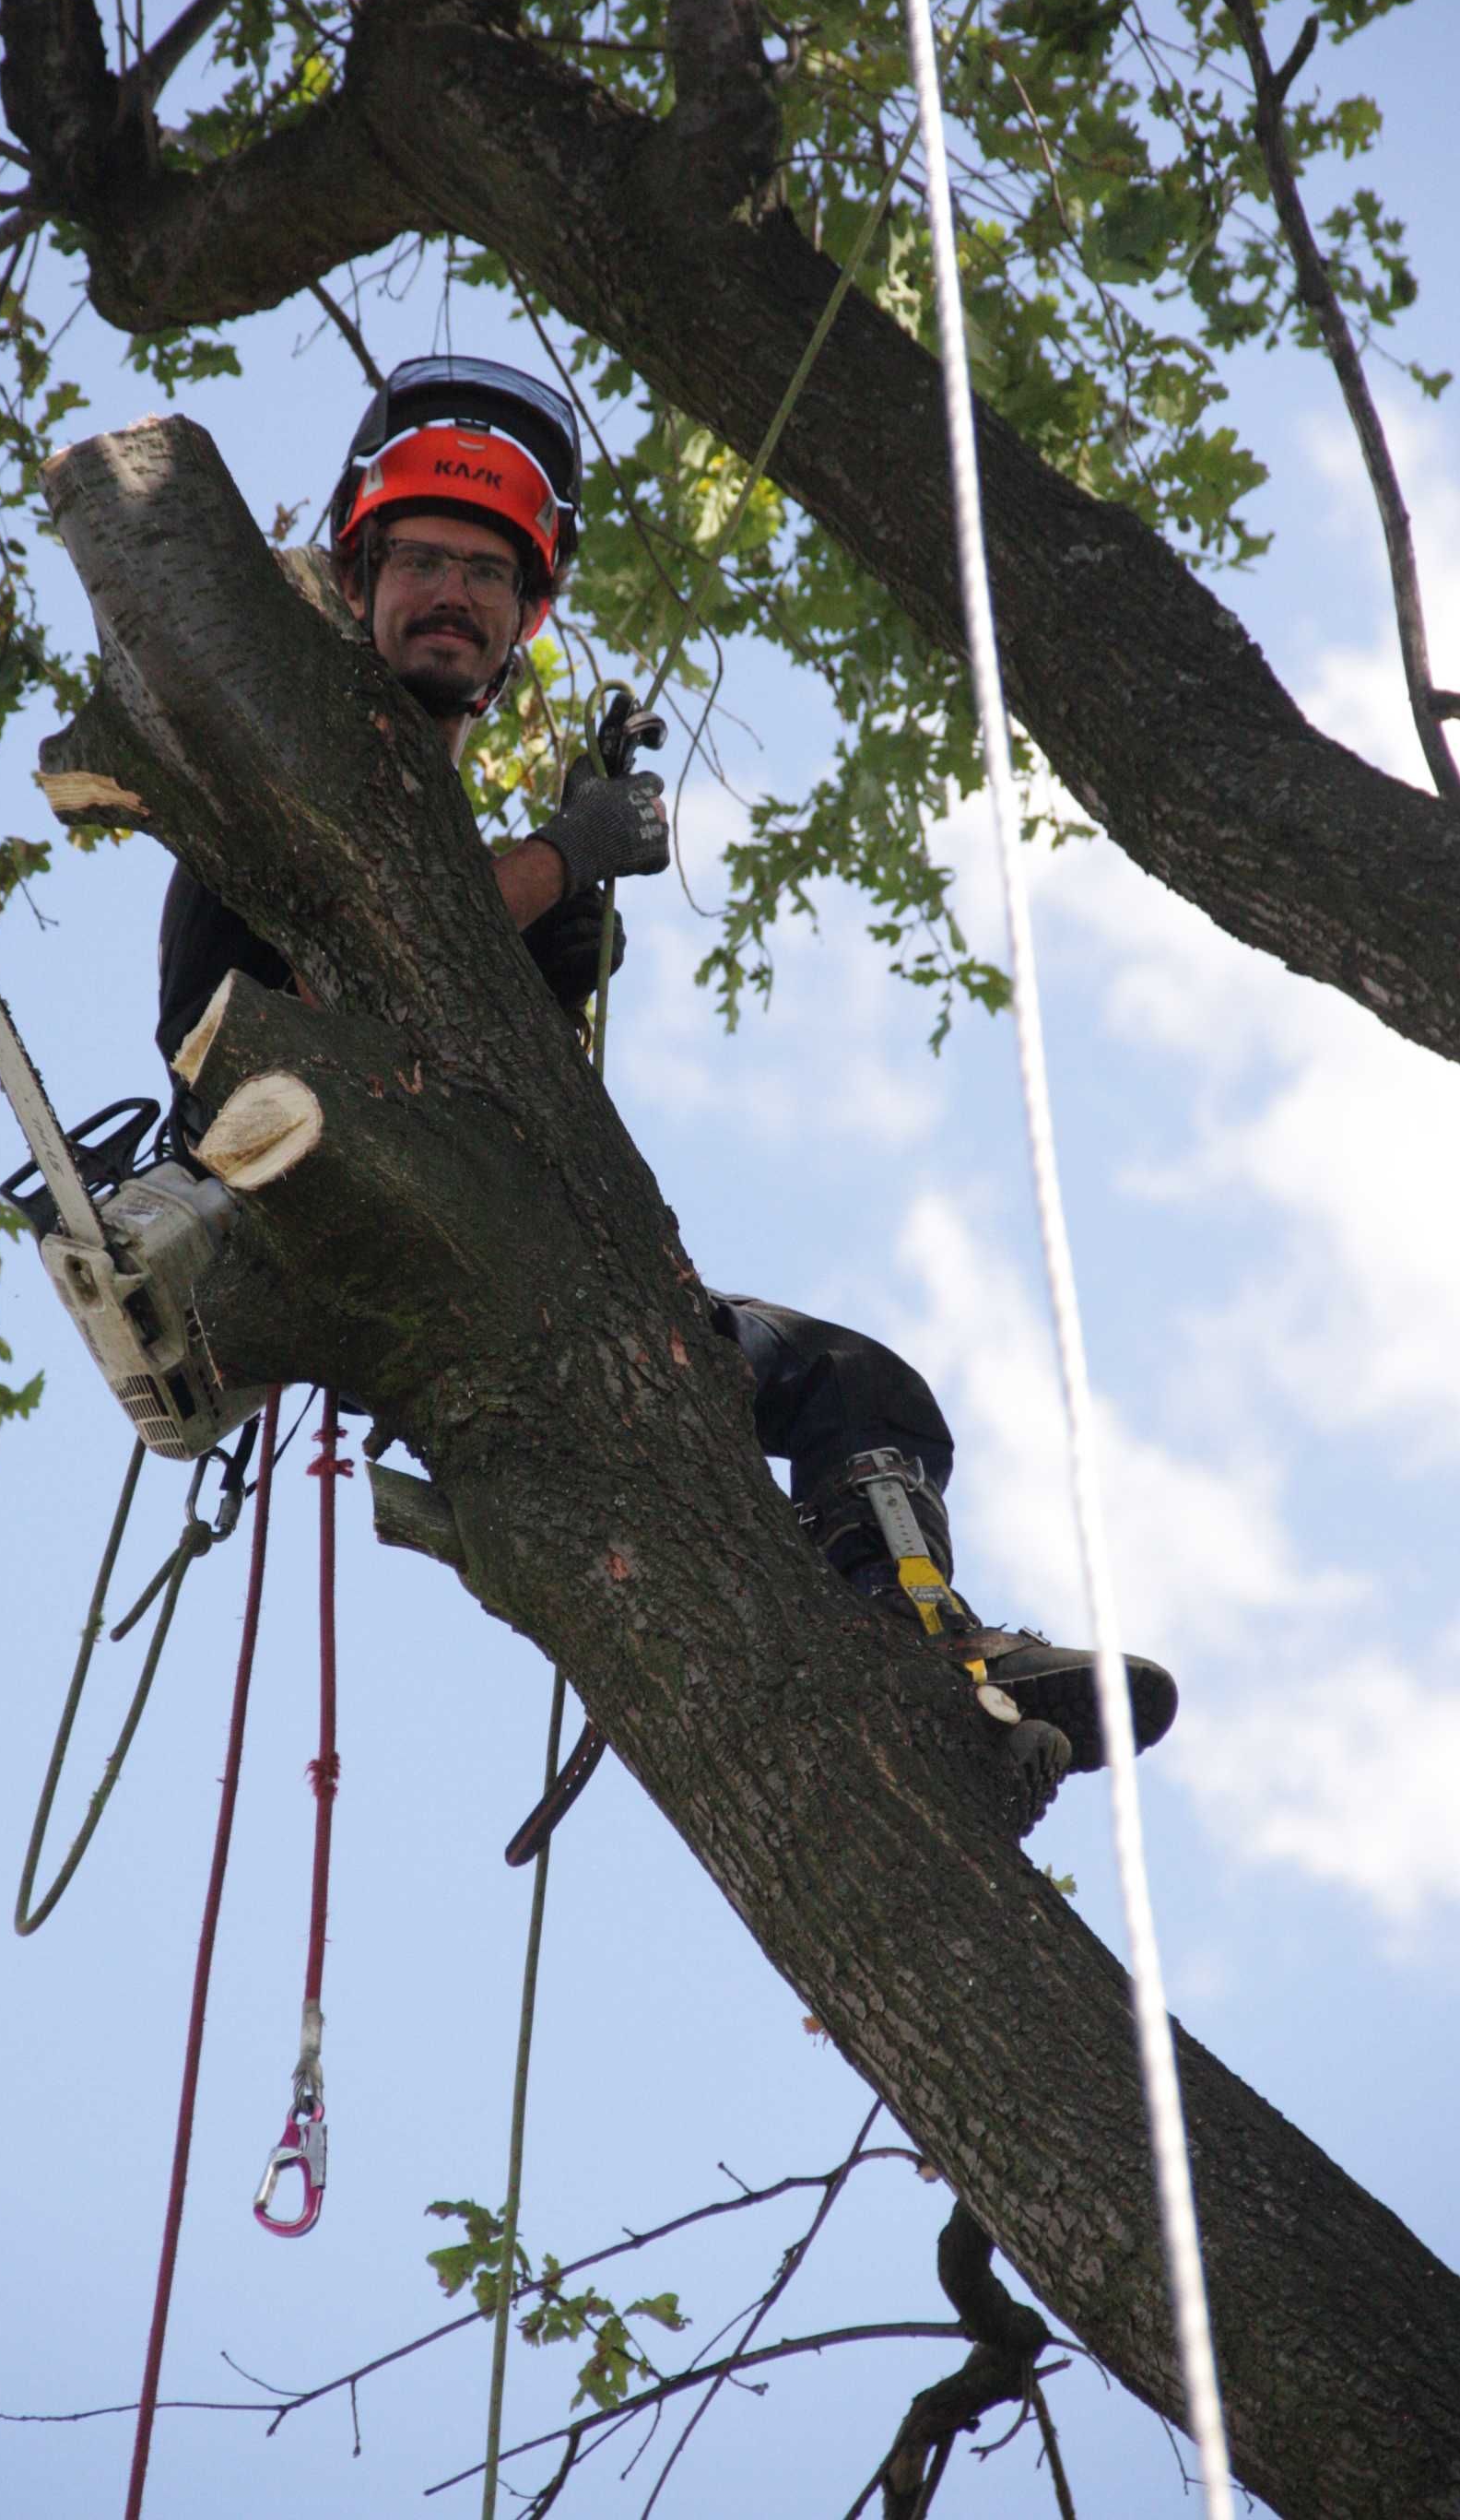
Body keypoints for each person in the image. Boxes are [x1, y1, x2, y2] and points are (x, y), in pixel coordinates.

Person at [156, 356, 1176, 1831]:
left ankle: (918, 1649)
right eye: (423, 561)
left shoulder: (464, 852)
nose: (451, 592)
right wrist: (561, 863)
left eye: (486, 576)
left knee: (852, 1380)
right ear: (364, 579)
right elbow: (309, 1006)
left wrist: (550, 962)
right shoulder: (283, 770)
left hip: (494, 1242)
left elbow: (501, 1099)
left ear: (524, 622)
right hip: (298, 1198)